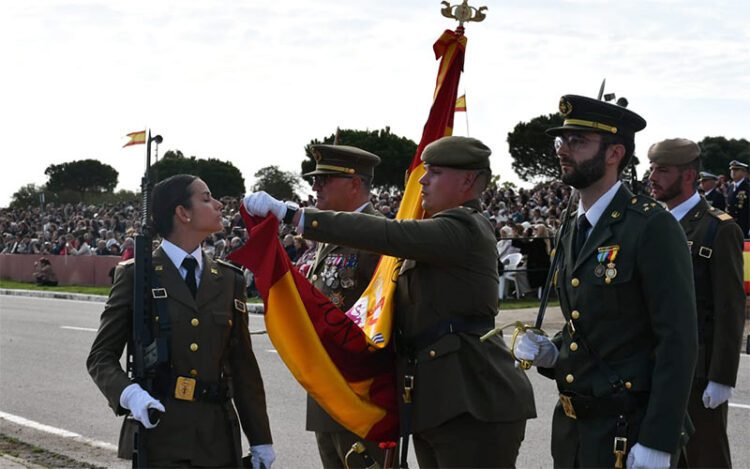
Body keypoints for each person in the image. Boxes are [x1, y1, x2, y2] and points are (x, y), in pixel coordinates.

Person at [245, 136, 536, 468]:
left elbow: (388, 234)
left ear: (468, 180)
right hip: (437, 400)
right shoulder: (437, 231)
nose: (423, 180)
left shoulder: (464, 227)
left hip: (472, 397)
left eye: (435, 172)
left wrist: (293, 214)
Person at [514, 94, 697, 469]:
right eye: (561, 141)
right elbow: (590, 321)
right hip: (574, 430)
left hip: (627, 429)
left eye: (577, 142)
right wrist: (554, 352)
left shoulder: (650, 226)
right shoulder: (572, 227)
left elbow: (677, 340)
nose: (563, 150)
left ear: (614, 153)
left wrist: (658, 441)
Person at [87, 174, 274, 468]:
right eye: (206, 197)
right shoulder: (137, 276)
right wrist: (130, 395)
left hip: (218, 437)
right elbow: (100, 357)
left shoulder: (228, 279)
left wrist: (261, 439)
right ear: (182, 213)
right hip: (162, 434)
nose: (217, 204)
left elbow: (242, 367)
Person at [647, 138, 745, 468]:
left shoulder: (717, 229)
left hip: (698, 372)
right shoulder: (651, 226)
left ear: (688, 176)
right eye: (651, 168)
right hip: (654, 367)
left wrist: (722, 376)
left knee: (705, 457)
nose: (651, 177)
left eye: (662, 170)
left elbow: (730, 308)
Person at [295, 144, 389, 469]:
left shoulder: (380, 236)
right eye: (315, 179)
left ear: (355, 184)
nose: (315, 186)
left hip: (361, 392)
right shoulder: (325, 237)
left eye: (325, 179)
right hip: (326, 387)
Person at [725, 159, 750, 236]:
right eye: (731, 170)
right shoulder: (730, 187)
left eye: (736, 169)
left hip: (744, 226)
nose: (733, 172)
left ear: (743, 172)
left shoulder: (748, 187)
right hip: (731, 225)